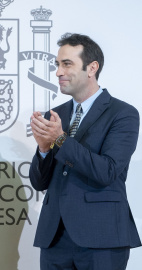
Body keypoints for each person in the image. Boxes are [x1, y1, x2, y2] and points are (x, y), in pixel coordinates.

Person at [29, 33, 141, 270]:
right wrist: (43, 149)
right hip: (54, 237)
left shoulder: (123, 114)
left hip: (102, 237)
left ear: (92, 68)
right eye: (57, 65)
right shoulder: (55, 115)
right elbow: (39, 183)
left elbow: (107, 171)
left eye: (67, 64)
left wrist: (59, 138)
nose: (58, 72)